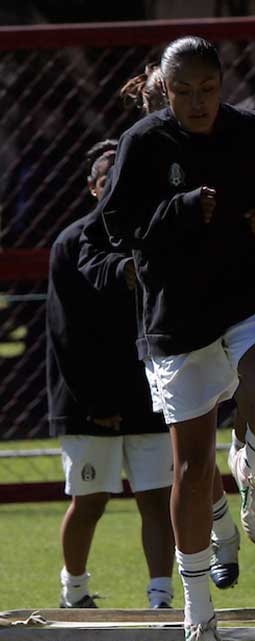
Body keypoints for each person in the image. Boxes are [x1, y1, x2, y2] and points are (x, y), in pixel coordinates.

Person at [96, 36, 255, 641]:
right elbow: (116, 227)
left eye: (206, 89)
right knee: (190, 464)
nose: (196, 101)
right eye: (182, 91)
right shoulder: (145, 145)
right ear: (165, 86)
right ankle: (198, 610)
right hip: (177, 316)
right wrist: (181, 210)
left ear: (222, 83)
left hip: (247, 296)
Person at [81, 66, 242, 591]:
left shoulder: (222, 146)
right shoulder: (139, 159)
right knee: (191, 458)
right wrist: (128, 266)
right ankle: (219, 534)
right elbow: (95, 244)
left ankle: (245, 494)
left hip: (228, 315)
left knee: (216, 441)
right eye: (171, 102)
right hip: (171, 328)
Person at [47, 140, 174, 610]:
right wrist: (95, 405)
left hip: (147, 393)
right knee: (90, 498)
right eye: (105, 183)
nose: (112, 192)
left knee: (156, 497)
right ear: (92, 187)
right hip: (86, 403)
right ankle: (74, 591)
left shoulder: (150, 237)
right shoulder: (70, 243)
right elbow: (65, 334)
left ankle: (161, 596)